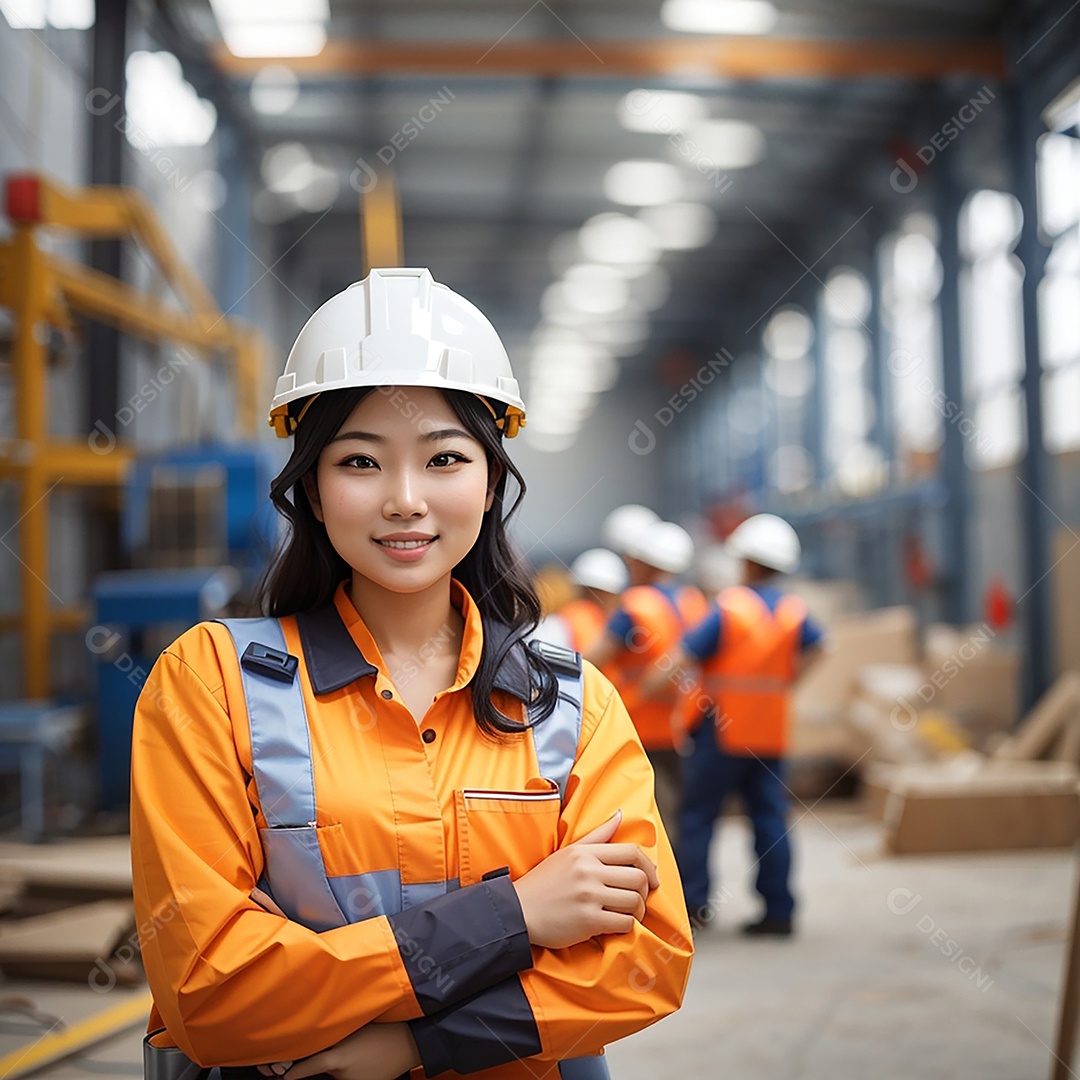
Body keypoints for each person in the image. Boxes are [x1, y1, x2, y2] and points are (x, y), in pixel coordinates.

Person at [130, 268, 692, 1080]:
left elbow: (644, 962)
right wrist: (517, 915)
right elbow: (208, 991)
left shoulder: (569, 704)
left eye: (444, 459)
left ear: (490, 480)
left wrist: (408, 1044)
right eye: (360, 461)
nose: (403, 500)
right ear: (314, 491)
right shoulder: (212, 683)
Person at [667, 514, 825, 937]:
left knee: (699, 817)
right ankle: (779, 912)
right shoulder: (794, 610)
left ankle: (694, 906)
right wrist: (785, 683)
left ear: (749, 563)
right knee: (770, 819)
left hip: (720, 730)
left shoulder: (730, 607)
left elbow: (683, 656)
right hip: (769, 733)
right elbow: (817, 650)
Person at [586, 520, 707, 843]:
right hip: (685, 721)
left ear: (643, 562)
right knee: (680, 811)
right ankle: (685, 884)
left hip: (638, 723)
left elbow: (591, 662)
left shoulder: (635, 606)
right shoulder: (694, 601)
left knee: (648, 813)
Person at [533, 549, 628, 655]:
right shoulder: (559, 626)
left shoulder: (619, 627)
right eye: (590, 592)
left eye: (603, 594)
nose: (597, 598)